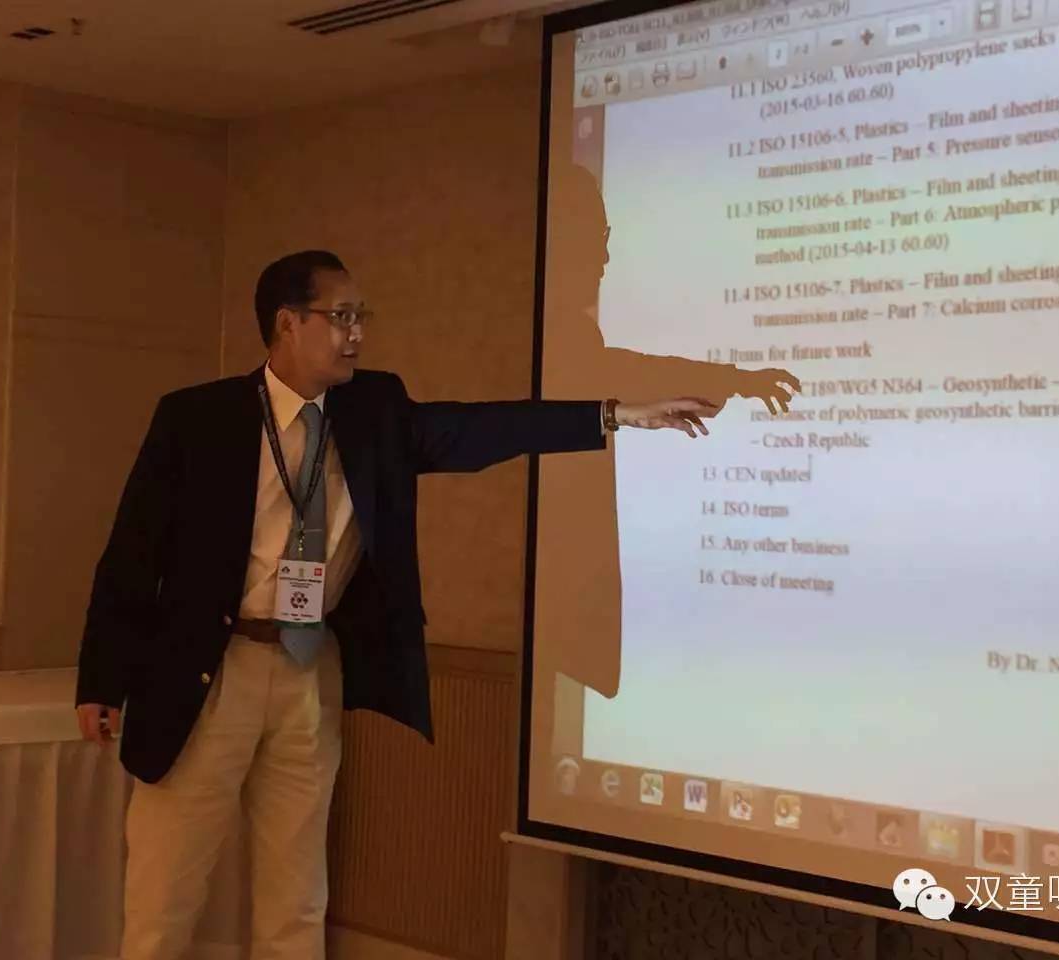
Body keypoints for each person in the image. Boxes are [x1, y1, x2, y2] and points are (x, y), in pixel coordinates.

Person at [75, 249, 799, 960]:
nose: (357, 332)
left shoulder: (375, 409)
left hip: (308, 670)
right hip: (209, 671)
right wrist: (101, 681)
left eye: (361, 316)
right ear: (288, 323)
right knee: (166, 892)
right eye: (341, 316)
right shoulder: (197, 418)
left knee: (296, 895)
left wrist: (614, 415)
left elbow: (481, 428)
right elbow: (132, 553)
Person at [536, 164, 801, 701]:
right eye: (595, 238)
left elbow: (620, 372)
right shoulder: (552, 333)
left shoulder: (562, 329)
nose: (605, 259)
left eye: (606, 239)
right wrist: (734, 380)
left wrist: (732, 380)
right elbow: (625, 370)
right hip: (549, 587)